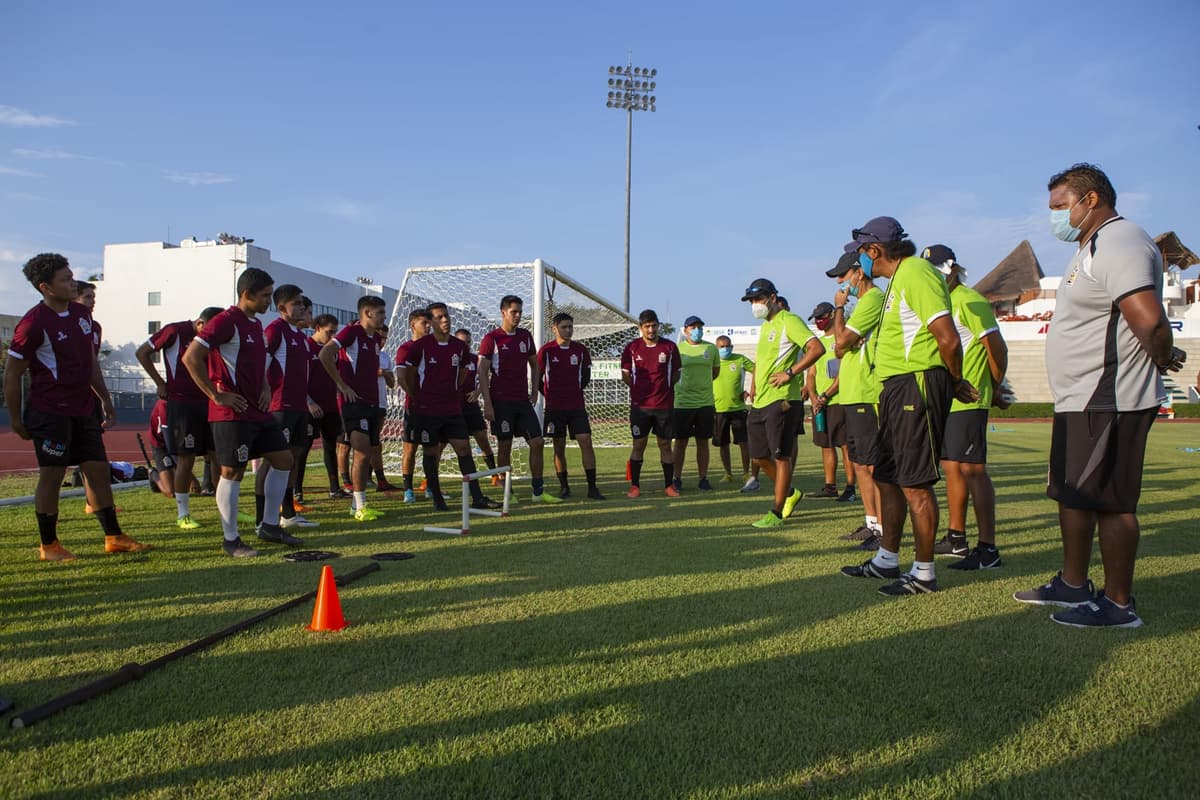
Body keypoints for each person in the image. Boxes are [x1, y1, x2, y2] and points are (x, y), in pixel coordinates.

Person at [1014, 163, 1185, 628]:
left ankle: (1118, 603)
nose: (1054, 217)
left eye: (1059, 206)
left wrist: (1161, 355)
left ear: (1090, 200)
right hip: (1081, 397)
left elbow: (1148, 319)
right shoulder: (1093, 245)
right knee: (1073, 495)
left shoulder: (1119, 239)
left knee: (1111, 500)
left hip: (1108, 397)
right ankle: (1073, 583)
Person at [838, 217, 977, 596]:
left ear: (874, 251)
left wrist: (953, 381)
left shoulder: (915, 272)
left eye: (861, 254)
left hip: (916, 384)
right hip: (899, 388)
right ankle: (887, 559)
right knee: (887, 476)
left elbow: (947, 337)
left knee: (915, 483)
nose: (859, 264)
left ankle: (924, 573)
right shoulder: (900, 278)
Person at [5, 253, 152, 560]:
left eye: (72, 277)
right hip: (50, 412)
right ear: (45, 287)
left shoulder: (82, 315)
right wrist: (16, 419)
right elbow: (14, 372)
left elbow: (90, 362)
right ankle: (49, 546)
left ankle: (114, 537)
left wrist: (105, 399)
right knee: (53, 474)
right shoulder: (32, 325)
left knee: (97, 470)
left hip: (84, 408)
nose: (73, 283)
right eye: (66, 279)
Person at [183, 267, 302, 557]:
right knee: (232, 471)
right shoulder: (225, 321)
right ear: (246, 295)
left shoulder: (255, 324)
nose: (268, 302)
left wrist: (263, 387)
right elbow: (191, 357)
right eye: (264, 296)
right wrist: (215, 394)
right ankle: (231, 539)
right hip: (231, 413)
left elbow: (257, 363)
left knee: (284, 459)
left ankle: (269, 525)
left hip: (257, 411)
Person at [922, 245, 1008, 570]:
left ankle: (988, 548)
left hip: (969, 397)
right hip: (949, 399)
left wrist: (993, 388)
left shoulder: (970, 301)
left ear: (953, 269)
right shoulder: (941, 304)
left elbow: (995, 348)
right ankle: (957, 538)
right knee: (951, 467)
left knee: (973, 470)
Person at [740, 278, 824, 528]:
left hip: (783, 400)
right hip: (761, 401)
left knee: (781, 456)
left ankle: (776, 512)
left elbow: (816, 348)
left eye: (758, 299)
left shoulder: (790, 320)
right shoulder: (767, 325)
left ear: (773, 298)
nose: (755, 305)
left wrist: (791, 372)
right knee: (758, 457)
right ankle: (789, 492)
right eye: (752, 301)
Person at [404, 303, 500, 511]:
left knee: (464, 448)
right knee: (431, 453)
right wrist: (417, 395)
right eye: (440, 317)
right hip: (427, 411)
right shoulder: (420, 346)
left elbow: (464, 372)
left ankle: (477, 497)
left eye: (446, 316)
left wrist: (453, 390)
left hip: (452, 409)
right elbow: (406, 375)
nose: (445, 320)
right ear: (430, 321)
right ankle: (437, 498)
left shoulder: (460, 347)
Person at [136, 305, 223, 529]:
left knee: (216, 456)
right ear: (201, 324)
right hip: (182, 405)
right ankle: (183, 514)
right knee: (187, 459)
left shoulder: (213, 338)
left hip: (209, 401)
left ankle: (225, 509)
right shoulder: (174, 331)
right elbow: (142, 352)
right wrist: (160, 383)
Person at [477, 295, 561, 503]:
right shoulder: (492, 339)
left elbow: (535, 365)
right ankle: (508, 493)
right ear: (503, 312)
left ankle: (538, 492)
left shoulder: (525, 336)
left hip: (522, 402)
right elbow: (482, 372)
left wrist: (534, 390)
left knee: (538, 442)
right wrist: (487, 403)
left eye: (520, 312)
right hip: (501, 402)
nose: (518, 316)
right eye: (514, 312)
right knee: (505, 447)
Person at [826, 250, 885, 547]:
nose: (839, 281)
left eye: (843, 274)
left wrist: (839, 309)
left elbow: (840, 343)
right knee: (861, 464)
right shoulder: (863, 304)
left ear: (858, 272)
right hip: (852, 394)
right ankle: (872, 523)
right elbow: (841, 346)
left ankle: (883, 529)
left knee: (871, 465)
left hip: (866, 392)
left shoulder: (873, 299)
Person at [319, 295, 389, 521]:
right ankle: (360, 507)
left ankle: (356, 504)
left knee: (366, 452)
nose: (384, 317)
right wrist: (341, 385)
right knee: (360, 451)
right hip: (353, 403)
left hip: (370, 402)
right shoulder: (351, 333)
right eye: (380, 313)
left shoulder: (375, 340)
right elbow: (325, 354)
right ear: (367, 313)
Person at [257, 284, 318, 531]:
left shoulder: (300, 336)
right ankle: (262, 519)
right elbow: (261, 363)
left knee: (291, 460)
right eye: (297, 304)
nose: (302, 308)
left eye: (303, 304)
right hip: (279, 407)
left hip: (299, 408)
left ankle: (288, 513)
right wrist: (264, 392)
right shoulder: (274, 331)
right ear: (282, 307)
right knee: (271, 461)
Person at [537, 312, 605, 500]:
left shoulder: (581, 350)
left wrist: (572, 392)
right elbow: (538, 379)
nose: (568, 330)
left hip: (576, 408)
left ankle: (592, 487)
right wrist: (550, 395)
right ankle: (564, 487)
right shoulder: (546, 351)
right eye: (564, 327)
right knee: (558, 447)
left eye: (570, 327)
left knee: (586, 442)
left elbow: (585, 378)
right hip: (554, 409)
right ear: (555, 329)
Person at [620, 309, 681, 498]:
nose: (651, 329)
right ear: (641, 328)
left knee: (665, 445)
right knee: (639, 444)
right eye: (647, 326)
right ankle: (635, 486)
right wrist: (639, 391)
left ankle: (669, 486)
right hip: (640, 407)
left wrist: (663, 389)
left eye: (654, 325)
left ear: (658, 326)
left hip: (664, 406)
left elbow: (676, 374)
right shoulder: (632, 348)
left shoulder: (669, 347)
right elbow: (626, 376)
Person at [805, 302, 855, 501]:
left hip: (838, 401)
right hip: (820, 404)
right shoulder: (817, 343)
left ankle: (850, 487)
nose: (819, 321)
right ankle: (830, 486)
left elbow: (843, 372)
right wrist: (813, 396)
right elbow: (811, 374)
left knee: (844, 445)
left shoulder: (841, 340)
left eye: (822, 316)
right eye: (816, 318)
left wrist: (827, 394)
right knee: (825, 444)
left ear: (832, 315)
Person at [300, 311, 348, 501]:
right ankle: (297, 491)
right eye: (330, 332)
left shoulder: (332, 351)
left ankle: (334, 488)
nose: (333, 336)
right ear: (318, 328)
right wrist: (309, 402)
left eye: (336, 332)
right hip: (311, 408)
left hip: (330, 407)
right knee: (303, 449)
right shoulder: (306, 346)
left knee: (330, 447)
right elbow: (299, 378)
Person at [671, 315, 720, 493]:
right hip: (682, 403)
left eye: (699, 326)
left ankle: (703, 478)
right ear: (685, 330)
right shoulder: (677, 349)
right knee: (680, 443)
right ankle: (676, 478)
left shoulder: (711, 348)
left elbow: (715, 372)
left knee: (703, 442)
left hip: (705, 403)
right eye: (692, 327)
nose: (696, 330)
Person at [395, 309, 433, 503]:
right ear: (413, 325)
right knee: (410, 449)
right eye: (424, 323)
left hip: (434, 408)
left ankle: (430, 486)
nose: (428, 326)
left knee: (432, 448)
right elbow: (401, 377)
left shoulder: (434, 347)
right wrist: (414, 396)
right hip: (415, 408)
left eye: (429, 323)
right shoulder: (406, 348)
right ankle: (408, 490)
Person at [712, 334, 757, 490]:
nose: (725, 349)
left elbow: (756, 369)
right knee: (723, 444)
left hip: (738, 408)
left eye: (728, 346)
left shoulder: (739, 359)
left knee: (743, 442)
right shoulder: (713, 361)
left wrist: (751, 390)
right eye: (722, 346)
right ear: (716, 348)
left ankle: (746, 473)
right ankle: (728, 473)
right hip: (718, 409)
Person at [455, 328, 498, 483]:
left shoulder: (474, 359)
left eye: (468, 342)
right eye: (462, 342)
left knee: (483, 440)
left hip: (471, 408)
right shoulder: (450, 358)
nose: (465, 346)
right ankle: (428, 482)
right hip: (453, 408)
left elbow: (485, 376)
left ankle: (494, 475)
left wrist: (478, 391)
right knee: (440, 445)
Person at [370, 324, 400, 492]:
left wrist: (386, 373)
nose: (381, 341)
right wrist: (377, 372)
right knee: (352, 444)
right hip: (364, 403)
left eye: (384, 338)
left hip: (381, 402)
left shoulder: (384, 356)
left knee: (375, 441)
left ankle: (374, 478)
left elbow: (391, 382)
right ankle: (345, 481)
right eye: (379, 337)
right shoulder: (365, 353)